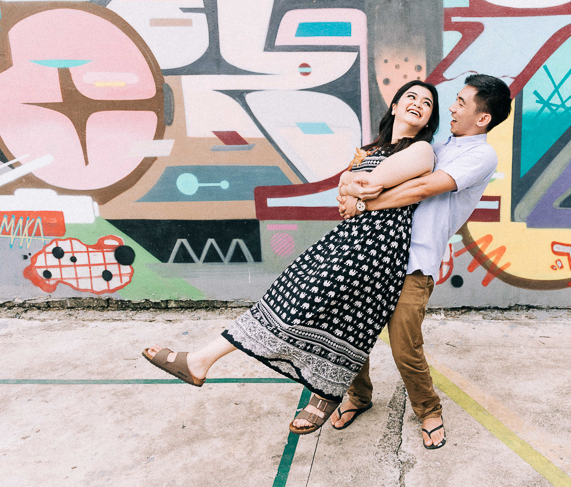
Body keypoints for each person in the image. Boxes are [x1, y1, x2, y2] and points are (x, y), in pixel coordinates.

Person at [142, 80, 441, 435]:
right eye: (411, 97)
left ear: (429, 119)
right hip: (347, 239)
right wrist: (351, 185)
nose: (418, 103)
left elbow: (367, 184)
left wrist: (353, 186)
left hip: (377, 246)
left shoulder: (422, 150)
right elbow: (347, 187)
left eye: (427, 103)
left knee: (313, 305)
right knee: (288, 296)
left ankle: (315, 390)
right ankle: (205, 362)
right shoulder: (371, 148)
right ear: (394, 106)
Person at [334, 74, 511, 449]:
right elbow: (371, 176)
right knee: (352, 331)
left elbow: (422, 188)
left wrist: (361, 203)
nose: (452, 107)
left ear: (482, 118)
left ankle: (429, 410)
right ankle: (358, 396)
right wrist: (350, 189)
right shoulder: (435, 146)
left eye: (461, 102)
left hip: (416, 260)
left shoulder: (481, 155)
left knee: (404, 345)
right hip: (376, 252)